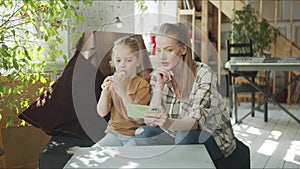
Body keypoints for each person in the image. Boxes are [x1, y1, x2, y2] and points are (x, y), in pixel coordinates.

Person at [134, 23, 249, 168]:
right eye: (159, 49)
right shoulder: (158, 75)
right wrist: (158, 88)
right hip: (175, 134)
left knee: (185, 136)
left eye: (169, 50)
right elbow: (152, 119)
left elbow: (194, 123)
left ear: (183, 49)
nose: (162, 56)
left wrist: (167, 122)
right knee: (143, 133)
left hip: (214, 138)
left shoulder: (203, 74)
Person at [93, 36, 150, 147]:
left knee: (125, 158)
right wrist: (105, 92)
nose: (122, 65)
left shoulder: (142, 85)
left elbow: (137, 116)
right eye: (118, 60)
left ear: (138, 62)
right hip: (113, 133)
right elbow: (102, 112)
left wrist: (123, 93)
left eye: (128, 60)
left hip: (134, 135)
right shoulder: (113, 83)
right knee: (93, 153)